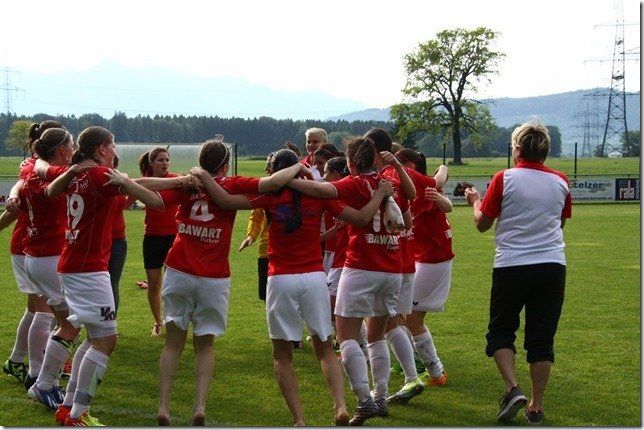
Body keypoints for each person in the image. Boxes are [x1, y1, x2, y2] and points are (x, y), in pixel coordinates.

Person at [196, 148, 393, 426]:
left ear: (275, 171)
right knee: (325, 348)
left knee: (282, 355)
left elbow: (225, 200)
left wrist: (203, 176)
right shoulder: (319, 195)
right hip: (313, 277)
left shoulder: (268, 195)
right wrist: (379, 195)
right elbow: (360, 218)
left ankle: (299, 420)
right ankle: (340, 405)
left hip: (280, 278)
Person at [131, 140, 308, 426]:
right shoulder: (232, 183)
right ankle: (199, 406)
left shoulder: (188, 184)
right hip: (213, 276)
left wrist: (130, 180)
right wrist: (299, 164)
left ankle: (163, 406)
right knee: (205, 345)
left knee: (173, 343)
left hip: (178, 270)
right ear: (225, 165)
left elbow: (151, 195)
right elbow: (274, 181)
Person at [45, 126, 165, 426]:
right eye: (112, 145)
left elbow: (51, 191)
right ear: (101, 149)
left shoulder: (78, 174)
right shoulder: (100, 175)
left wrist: (123, 179)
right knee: (106, 340)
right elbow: (155, 201)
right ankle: (77, 413)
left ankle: (69, 408)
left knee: (95, 337)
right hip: (88, 270)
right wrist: (124, 181)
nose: (115, 151)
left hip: (74, 265)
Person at [288, 137, 411, 425]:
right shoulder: (389, 182)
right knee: (377, 335)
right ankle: (381, 396)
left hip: (361, 266)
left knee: (346, 336)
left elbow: (322, 190)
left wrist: (287, 180)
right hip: (392, 267)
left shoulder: (354, 183)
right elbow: (408, 209)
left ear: (352, 162)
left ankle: (364, 400)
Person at [464, 121, 571, 425]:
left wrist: (475, 201)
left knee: (500, 331)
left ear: (517, 149)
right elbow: (560, 222)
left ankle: (513, 389)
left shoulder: (504, 178)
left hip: (511, 265)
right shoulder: (561, 180)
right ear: (546, 150)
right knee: (542, 339)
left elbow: (482, 224)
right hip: (552, 266)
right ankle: (536, 406)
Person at [19, 128, 93, 410]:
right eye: (71, 144)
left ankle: (42, 378)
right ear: (62, 150)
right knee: (71, 323)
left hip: (37, 256)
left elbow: (33, 174)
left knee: (60, 320)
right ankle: (43, 383)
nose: (74, 148)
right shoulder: (54, 175)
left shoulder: (33, 171)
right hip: (49, 257)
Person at [2, 120, 64, 389]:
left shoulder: (32, 166)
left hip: (31, 245)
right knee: (44, 311)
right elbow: (15, 203)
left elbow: (17, 189)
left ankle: (18, 360)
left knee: (36, 309)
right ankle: (36, 372)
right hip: (32, 245)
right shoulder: (36, 167)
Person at [395, 148, 452, 388]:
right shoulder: (421, 186)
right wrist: (441, 175)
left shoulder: (422, 190)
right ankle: (419, 363)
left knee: (410, 318)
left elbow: (446, 203)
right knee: (403, 315)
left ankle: (435, 370)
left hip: (432, 260)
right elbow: (442, 174)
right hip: (426, 259)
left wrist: (440, 192)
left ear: (410, 166)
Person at [138, 147, 179, 337]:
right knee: (154, 285)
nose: (165, 163)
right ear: (152, 163)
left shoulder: (175, 179)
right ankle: (158, 322)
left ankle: (173, 321)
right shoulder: (144, 182)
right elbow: (127, 199)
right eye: (161, 160)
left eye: (167, 160)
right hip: (153, 238)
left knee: (173, 285)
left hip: (174, 238)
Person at [238, 152, 274, 301]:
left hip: (287, 252)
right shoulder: (263, 190)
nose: (266, 169)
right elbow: (256, 217)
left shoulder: (298, 190)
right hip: (265, 250)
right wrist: (250, 236)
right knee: (266, 297)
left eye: (269, 165)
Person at [108, 155, 135, 316]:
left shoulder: (121, 183)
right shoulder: (100, 182)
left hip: (117, 239)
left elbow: (126, 204)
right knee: (104, 283)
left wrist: (130, 187)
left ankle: (109, 320)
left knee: (112, 283)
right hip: (103, 239)